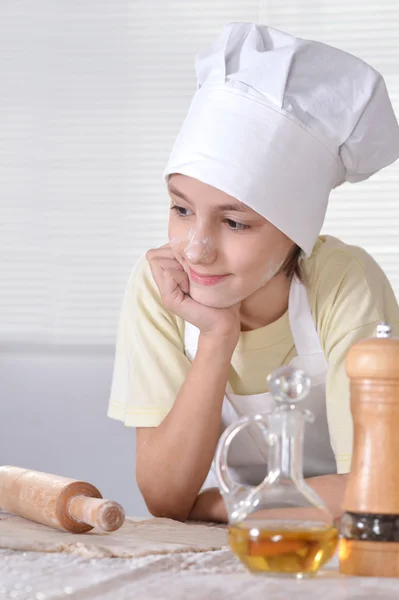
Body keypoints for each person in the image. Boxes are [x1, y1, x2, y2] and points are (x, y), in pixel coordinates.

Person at [107, 22, 399, 522]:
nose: (196, 250)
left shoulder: (344, 284)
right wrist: (217, 336)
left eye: (235, 222)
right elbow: (166, 497)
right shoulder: (161, 284)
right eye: (181, 209)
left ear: (295, 231)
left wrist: (227, 504)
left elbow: (379, 490)